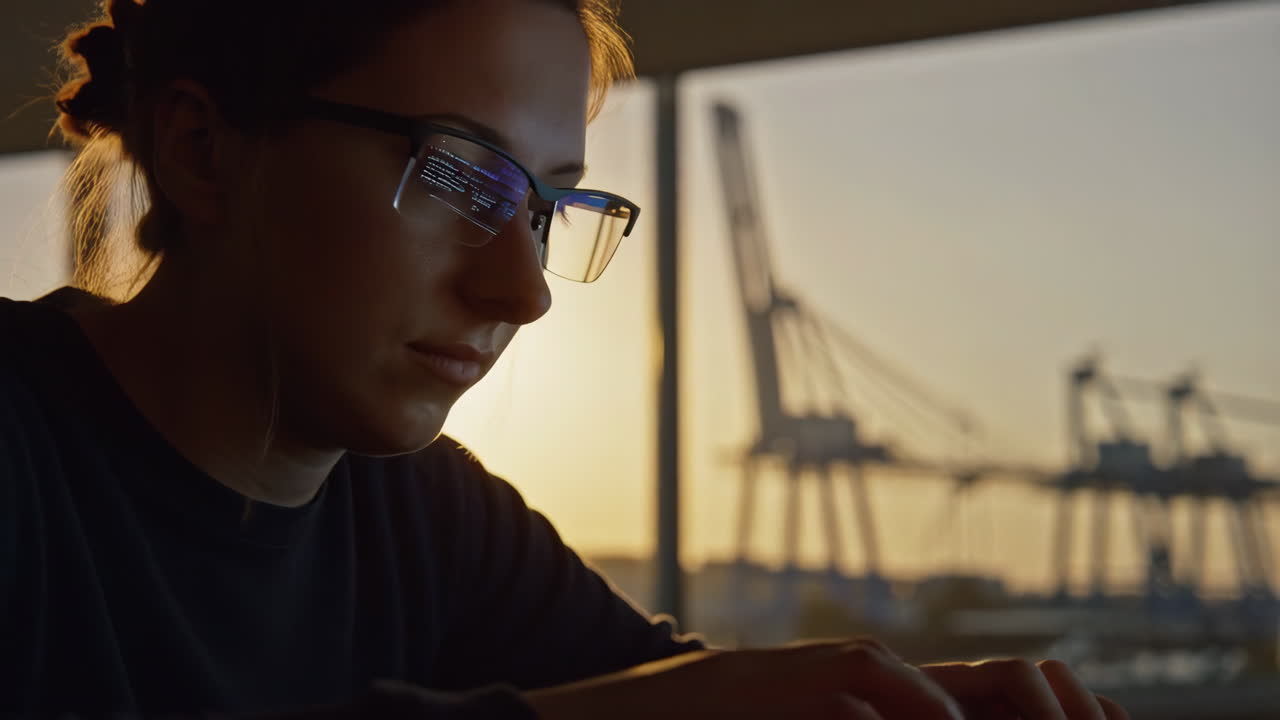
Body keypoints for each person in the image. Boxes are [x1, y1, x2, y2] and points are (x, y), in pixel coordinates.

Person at [0, 0, 1130, 718]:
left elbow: (679, 690)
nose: (524, 290)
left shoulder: (428, 516)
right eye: (456, 176)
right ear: (205, 152)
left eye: (548, 210)